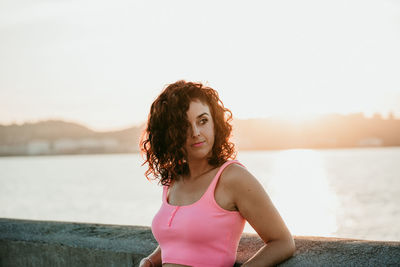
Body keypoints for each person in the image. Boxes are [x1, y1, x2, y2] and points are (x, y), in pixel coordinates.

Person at [139, 80, 295, 267]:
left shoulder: (233, 177)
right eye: (184, 125)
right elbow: (181, 240)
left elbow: (282, 242)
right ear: (169, 133)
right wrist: (150, 261)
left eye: (202, 121)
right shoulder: (173, 179)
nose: (196, 132)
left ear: (215, 123)